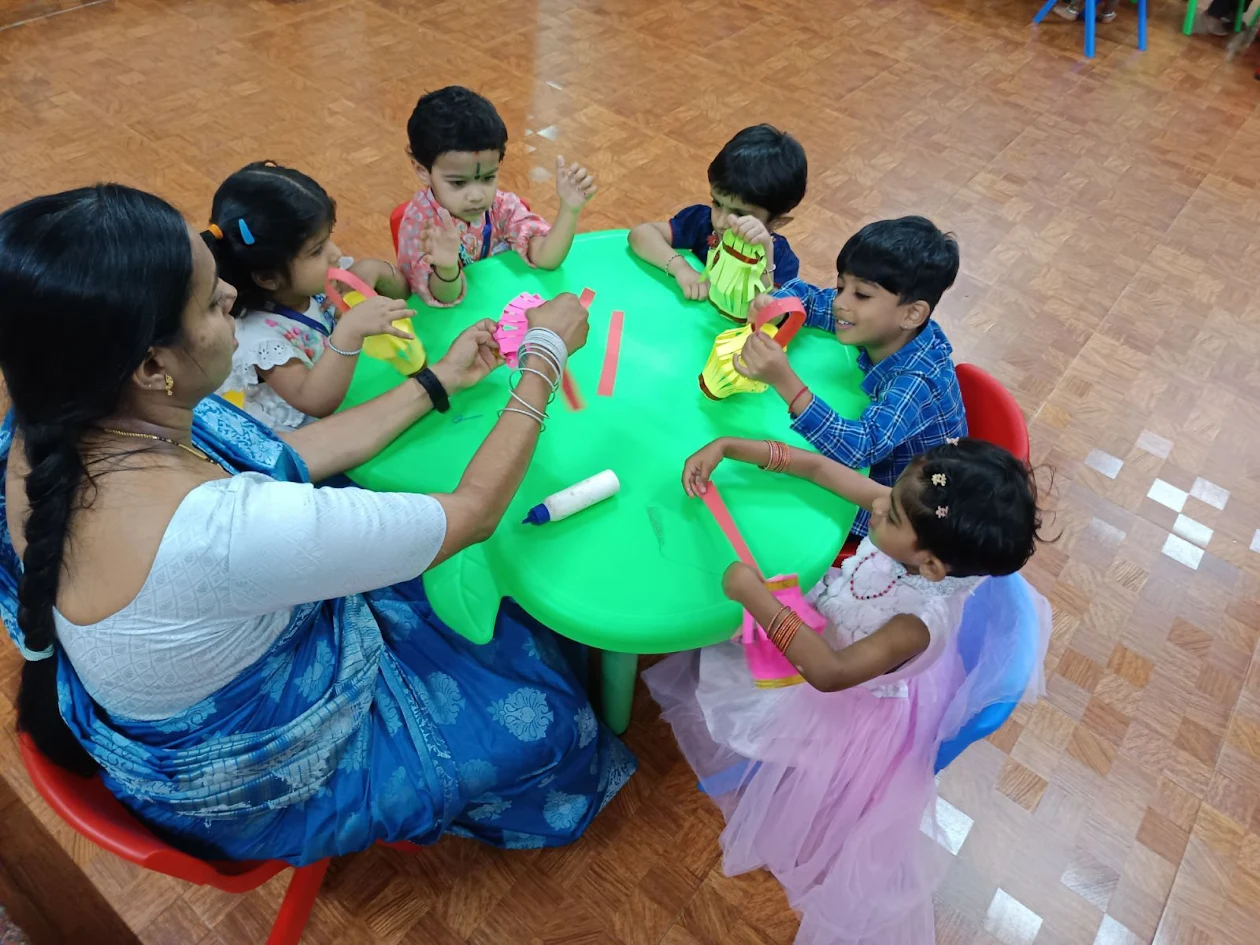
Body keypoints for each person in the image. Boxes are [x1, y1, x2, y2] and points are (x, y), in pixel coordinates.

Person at [0, 184, 635, 867]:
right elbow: (472, 513)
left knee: (399, 526)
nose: (233, 303)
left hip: (186, 682)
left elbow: (285, 458)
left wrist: (436, 382)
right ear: (152, 365)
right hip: (252, 777)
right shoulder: (219, 531)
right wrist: (542, 355)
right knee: (551, 719)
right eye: (211, 302)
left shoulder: (52, 425)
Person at [648, 437, 1051, 944]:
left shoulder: (915, 625)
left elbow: (830, 673)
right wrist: (728, 448)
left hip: (847, 695)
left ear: (930, 567)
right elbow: (817, 467)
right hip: (840, 631)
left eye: (891, 515)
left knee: (727, 655)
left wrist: (751, 594)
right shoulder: (914, 515)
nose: (877, 504)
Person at [738, 216, 966, 540]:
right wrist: (779, 303)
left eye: (861, 295)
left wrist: (784, 380)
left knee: (759, 503)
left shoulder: (917, 379)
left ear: (912, 313)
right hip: (876, 469)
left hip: (899, 507)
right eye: (841, 286)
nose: (840, 303)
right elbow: (811, 299)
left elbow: (860, 448)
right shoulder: (891, 327)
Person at [209, 161, 415, 433]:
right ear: (269, 277)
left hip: (358, 396)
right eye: (317, 250)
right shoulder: (260, 338)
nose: (336, 253)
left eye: (328, 238)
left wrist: (377, 271)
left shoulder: (317, 282)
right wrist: (349, 332)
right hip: (310, 444)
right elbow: (315, 402)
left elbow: (406, 295)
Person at [397, 86, 598, 307]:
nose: (476, 195)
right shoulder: (422, 226)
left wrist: (569, 210)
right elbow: (445, 300)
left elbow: (546, 259)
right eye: (458, 183)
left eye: (487, 178)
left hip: (501, 311)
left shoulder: (502, 207)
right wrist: (446, 269)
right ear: (422, 170)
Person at [628, 124, 806, 303]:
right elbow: (641, 234)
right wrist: (681, 268)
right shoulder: (702, 222)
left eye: (740, 214)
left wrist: (766, 254)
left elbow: (764, 310)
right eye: (717, 203)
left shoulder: (781, 259)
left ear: (776, 222)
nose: (720, 222)